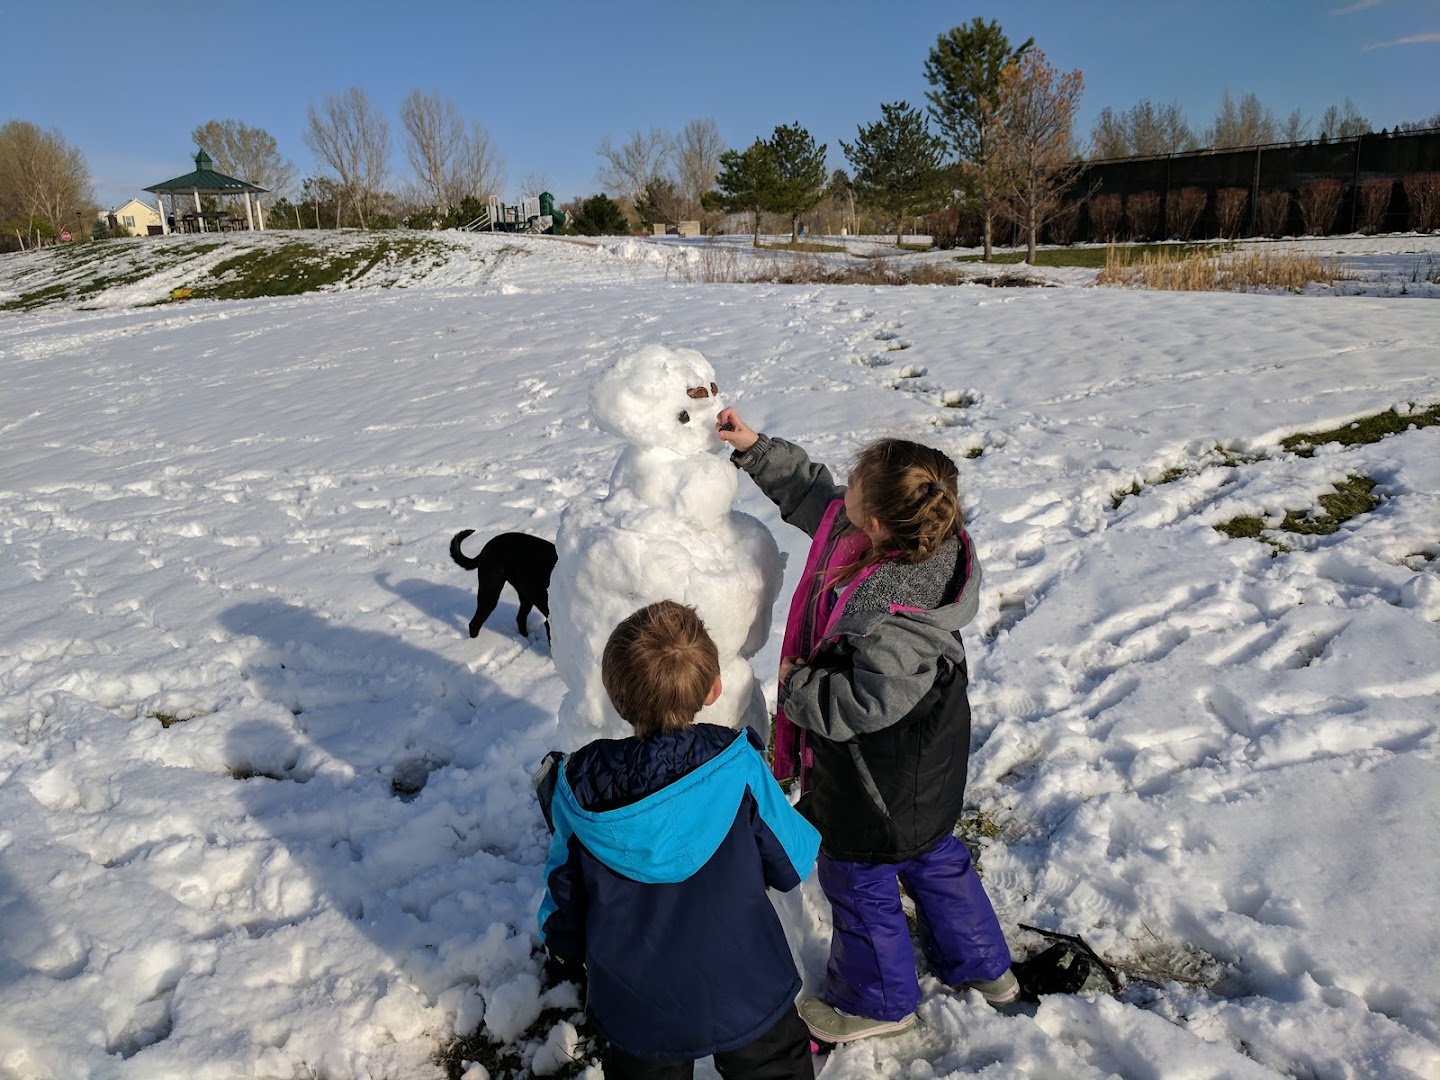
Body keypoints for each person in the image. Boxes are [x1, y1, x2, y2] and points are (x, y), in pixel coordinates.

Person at [715, 409, 1017, 1045]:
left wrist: (798, 687)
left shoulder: (893, 624)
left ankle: (879, 1002)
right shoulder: (914, 539)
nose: (841, 485)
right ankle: (984, 968)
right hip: (925, 769)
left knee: (859, 879)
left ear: (874, 522)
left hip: (876, 778)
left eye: (853, 483)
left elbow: (862, 704)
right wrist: (755, 448)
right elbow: (814, 494)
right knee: (935, 857)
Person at [536, 600, 821, 1079]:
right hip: (745, 982)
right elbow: (793, 860)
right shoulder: (738, 767)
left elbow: (564, 896)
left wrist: (563, 948)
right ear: (713, 689)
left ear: (616, 696)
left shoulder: (579, 793)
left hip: (638, 1002)